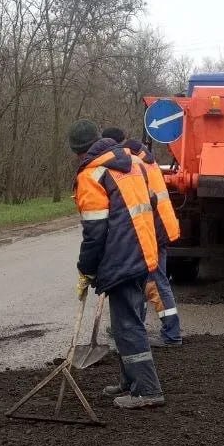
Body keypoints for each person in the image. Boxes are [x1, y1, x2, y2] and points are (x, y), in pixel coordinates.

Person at [67, 119, 164, 410]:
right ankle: (129, 381)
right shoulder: (129, 163)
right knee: (127, 321)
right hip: (142, 252)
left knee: (127, 326)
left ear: (77, 152)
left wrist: (86, 269)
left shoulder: (92, 174)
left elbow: (95, 233)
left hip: (122, 258)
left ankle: (147, 390)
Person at [101, 128, 182, 346]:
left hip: (151, 229)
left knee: (155, 281)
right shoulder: (141, 157)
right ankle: (135, 327)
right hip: (157, 225)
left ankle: (172, 334)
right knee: (144, 280)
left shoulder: (133, 162)